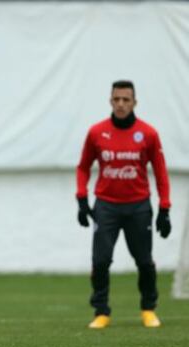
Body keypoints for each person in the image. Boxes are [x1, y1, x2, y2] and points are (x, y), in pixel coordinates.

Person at [76, 80, 171, 329]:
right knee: (100, 261)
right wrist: (82, 198)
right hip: (106, 206)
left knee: (144, 261)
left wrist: (164, 208)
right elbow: (83, 167)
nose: (120, 104)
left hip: (139, 206)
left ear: (134, 102)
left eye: (125, 99)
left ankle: (148, 309)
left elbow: (161, 173)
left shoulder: (148, 134)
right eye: (116, 99)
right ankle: (101, 312)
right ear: (110, 101)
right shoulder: (97, 132)